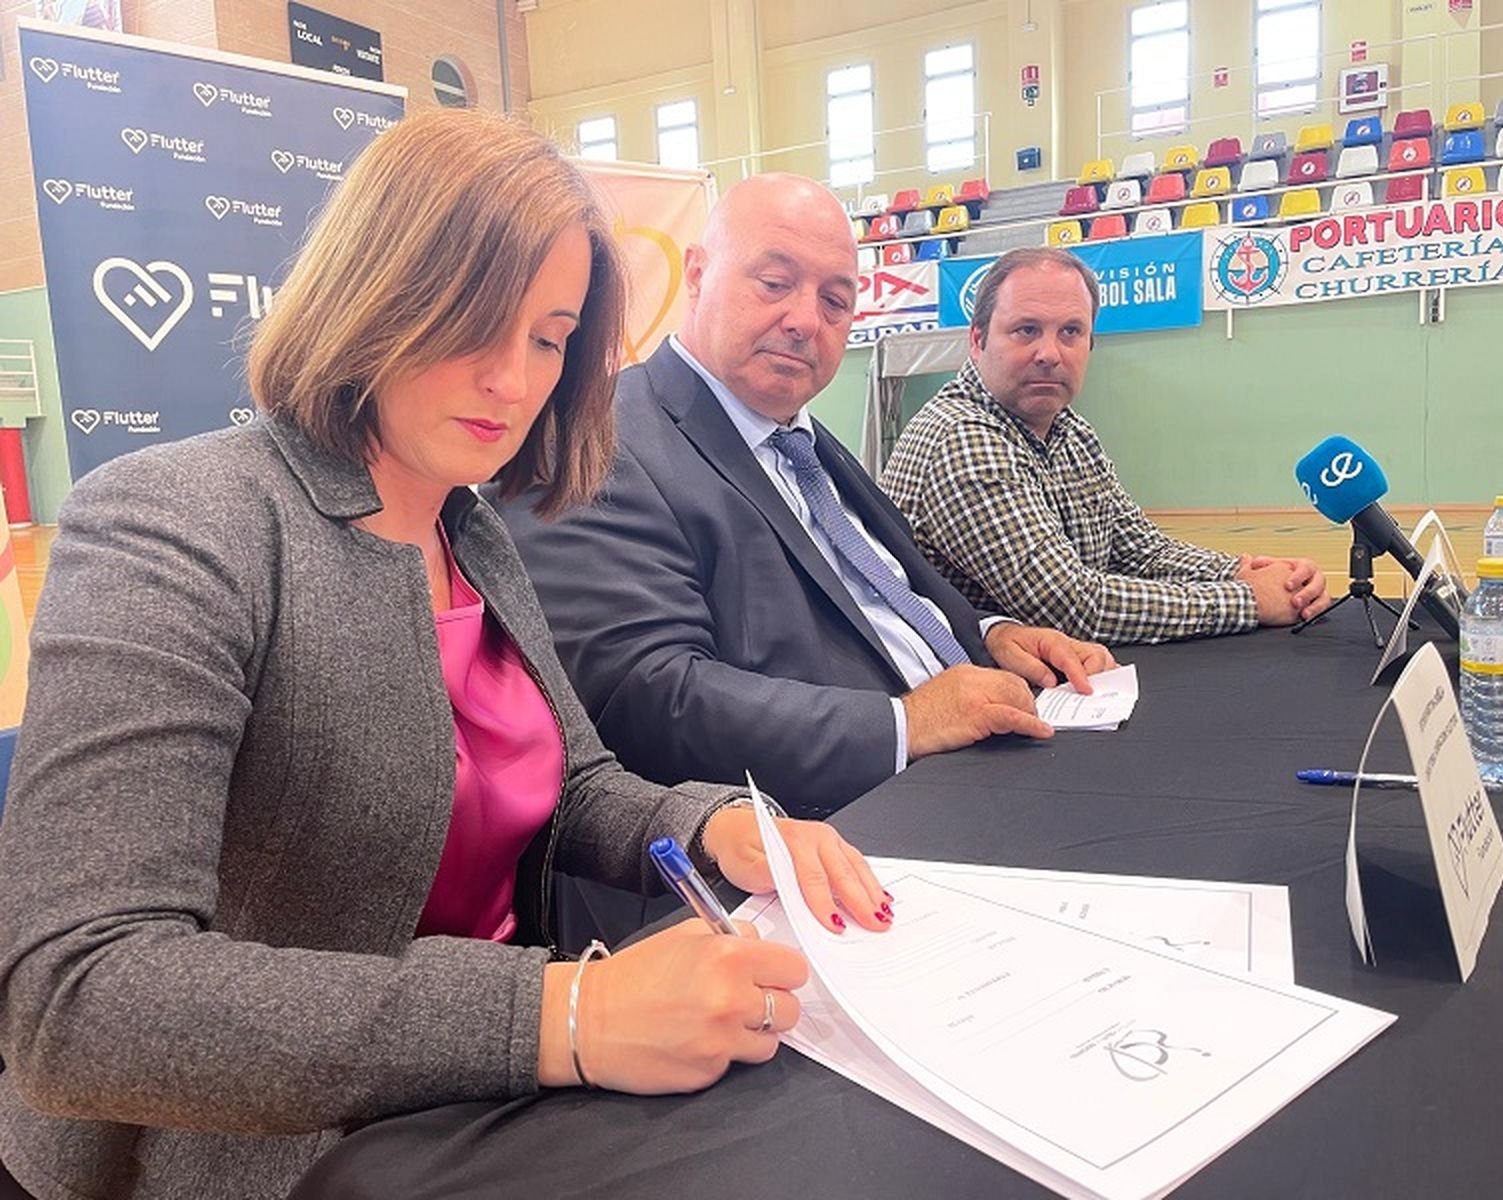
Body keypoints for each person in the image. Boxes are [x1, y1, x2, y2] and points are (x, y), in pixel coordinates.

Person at [0, 112, 890, 1200]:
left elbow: (571, 786)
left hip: (485, 1102)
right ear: (375, 291)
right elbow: (79, 997)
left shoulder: (470, 530)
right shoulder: (176, 522)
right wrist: (563, 1012)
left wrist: (712, 826)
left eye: (549, 338)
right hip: (262, 1153)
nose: (513, 381)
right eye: (474, 322)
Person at [490, 175, 1115, 818]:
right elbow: (644, 697)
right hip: (831, 818)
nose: (805, 321)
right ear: (697, 275)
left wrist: (990, 633)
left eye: (835, 301)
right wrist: (905, 723)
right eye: (774, 283)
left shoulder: (799, 437)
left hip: (974, 750)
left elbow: (882, 592)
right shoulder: (596, 442)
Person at [879, 247, 1331, 645]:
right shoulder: (961, 437)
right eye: (1026, 330)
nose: (1050, 353)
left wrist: (1245, 570)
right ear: (977, 341)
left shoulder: (1071, 431)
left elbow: (1140, 550)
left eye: (1071, 332)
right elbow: (1070, 607)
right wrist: (1248, 601)